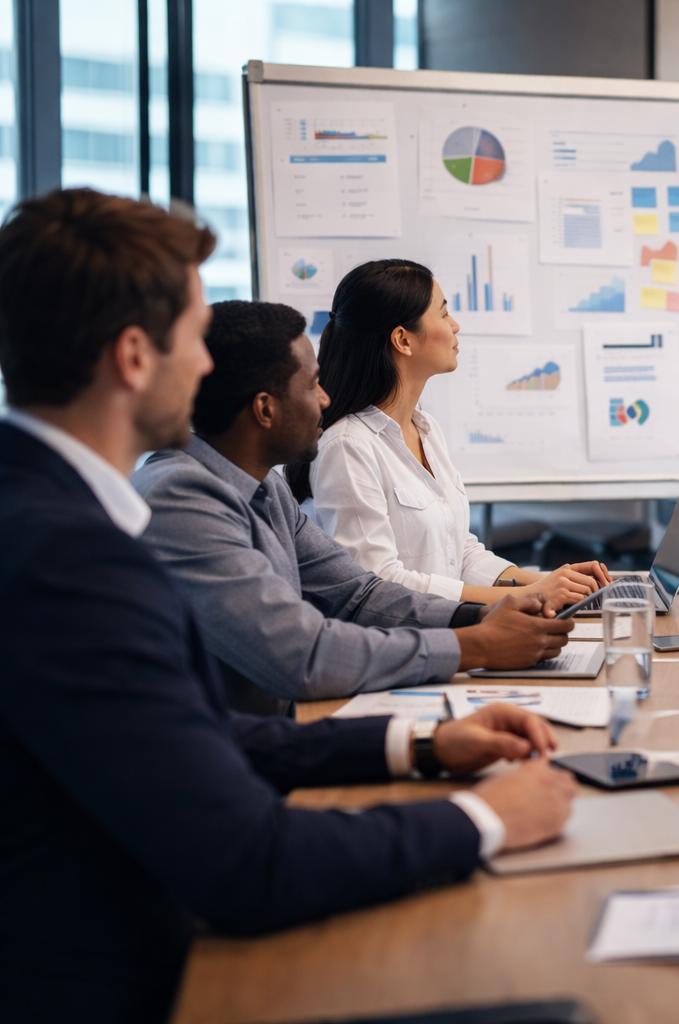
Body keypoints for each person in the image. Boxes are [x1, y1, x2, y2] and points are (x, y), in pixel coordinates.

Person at [0, 187, 578, 1021]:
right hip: (127, 985)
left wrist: (420, 745)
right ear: (133, 357)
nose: (207, 369)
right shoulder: (69, 559)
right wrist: (479, 820)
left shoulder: (54, 515)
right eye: (193, 338)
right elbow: (251, 862)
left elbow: (194, 732)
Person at [132, 297, 575, 716]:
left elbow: (358, 595)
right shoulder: (181, 499)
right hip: (231, 749)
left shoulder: (265, 486)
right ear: (265, 410)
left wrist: (479, 616)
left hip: (279, 729)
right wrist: (476, 645)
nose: (325, 399)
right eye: (311, 385)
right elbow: (302, 656)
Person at [287, 260, 611, 607]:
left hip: (448, 627)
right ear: (403, 340)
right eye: (443, 314)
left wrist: (555, 582)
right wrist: (528, 594)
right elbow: (377, 582)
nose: (455, 325)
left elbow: (461, 552)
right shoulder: (348, 446)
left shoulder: (425, 429)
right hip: (403, 636)